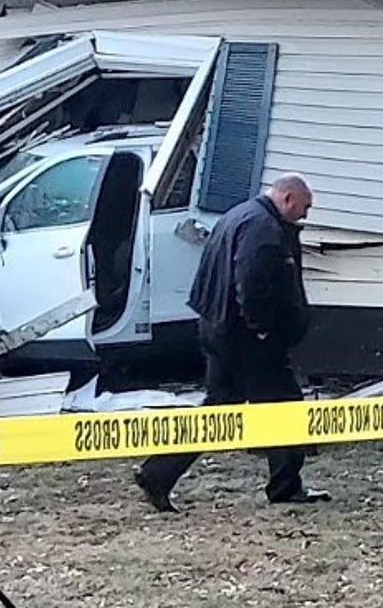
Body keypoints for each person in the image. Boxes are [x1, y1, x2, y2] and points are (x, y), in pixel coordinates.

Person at [135, 173, 330, 511]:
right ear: (286, 199)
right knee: (285, 405)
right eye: (304, 207)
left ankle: (158, 472)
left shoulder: (239, 214)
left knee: (219, 408)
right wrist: (262, 327)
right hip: (246, 337)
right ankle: (285, 485)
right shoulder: (264, 230)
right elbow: (250, 282)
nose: (305, 216)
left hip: (216, 324)